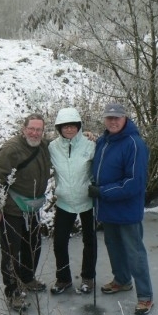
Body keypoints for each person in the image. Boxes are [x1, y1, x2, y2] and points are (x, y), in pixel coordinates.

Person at [87, 103, 154, 315]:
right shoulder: (103, 141)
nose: (113, 121)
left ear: (125, 118)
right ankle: (122, 280)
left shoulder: (134, 144)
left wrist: (103, 191)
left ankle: (145, 296)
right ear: (104, 120)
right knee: (113, 247)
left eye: (117, 118)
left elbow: (134, 182)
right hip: (107, 208)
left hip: (126, 209)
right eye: (109, 118)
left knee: (134, 253)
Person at [0, 113, 51, 311]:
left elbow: (65, 142)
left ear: (42, 131)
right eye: (31, 128)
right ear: (23, 129)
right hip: (12, 208)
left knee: (33, 244)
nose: (34, 132)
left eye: (38, 129)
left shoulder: (42, 146)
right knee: (11, 251)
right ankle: (13, 291)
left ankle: (27, 277)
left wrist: (88, 135)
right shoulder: (12, 149)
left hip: (32, 207)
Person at [48, 107, 96, 295]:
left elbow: (100, 167)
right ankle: (63, 279)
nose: (69, 130)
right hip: (64, 201)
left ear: (79, 126)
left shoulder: (90, 144)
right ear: (59, 128)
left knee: (90, 241)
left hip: (87, 200)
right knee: (59, 241)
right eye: (65, 126)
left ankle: (88, 277)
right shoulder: (52, 147)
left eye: (73, 126)